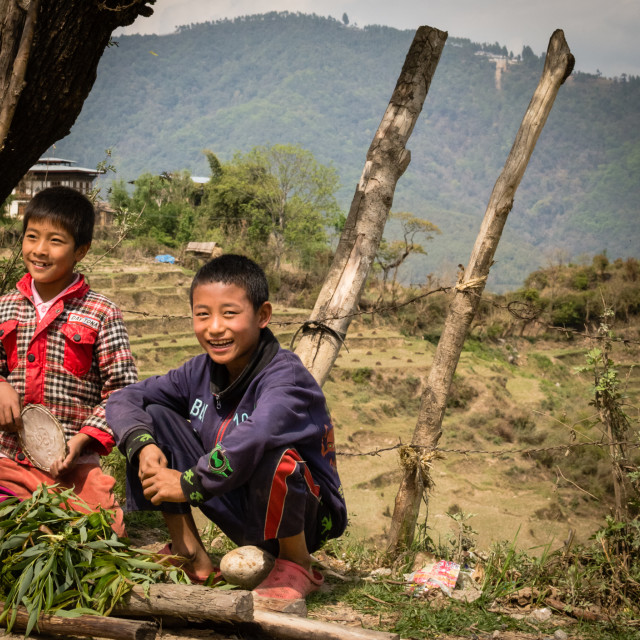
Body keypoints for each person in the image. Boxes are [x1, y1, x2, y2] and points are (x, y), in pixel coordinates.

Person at [106, 254, 347, 604]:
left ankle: (297, 565)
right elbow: (125, 398)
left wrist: (188, 482)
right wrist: (143, 445)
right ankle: (191, 556)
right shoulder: (197, 372)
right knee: (155, 416)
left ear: (263, 315)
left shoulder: (286, 378)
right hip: (235, 499)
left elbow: (257, 435)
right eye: (202, 314)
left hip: (304, 517)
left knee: (272, 452)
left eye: (230, 314)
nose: (215, 327)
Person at [0, 186, 137, 535]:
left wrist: (83, 440)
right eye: (32, 237)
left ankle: (38, 518)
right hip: (8, 457)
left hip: (71, 463)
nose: (40, 250)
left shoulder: (101, 312)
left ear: (81, 250)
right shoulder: (5, 306)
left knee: (106, 531)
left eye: (55, 241)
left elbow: (122, 391)